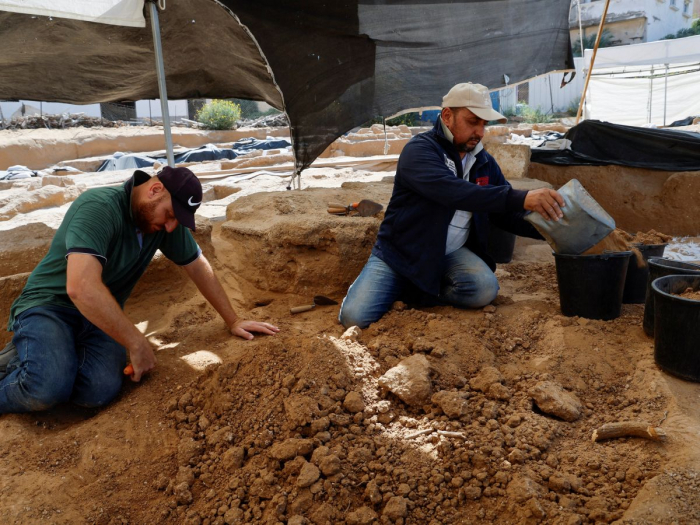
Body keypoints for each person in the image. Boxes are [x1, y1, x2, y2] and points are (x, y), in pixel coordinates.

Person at [0, 166, 279, 413]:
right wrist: (135, 340)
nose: (171, 227)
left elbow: (198, 266)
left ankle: (50, 355)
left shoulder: (161, 224)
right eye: (170, 215)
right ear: (155, 190)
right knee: (46, 388)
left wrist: (233, 320)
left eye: (177, 221)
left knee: (97, 391)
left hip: (98, 318)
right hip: (49, 306)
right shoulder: (98, 207)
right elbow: (81, 288)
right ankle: (26, 360)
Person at [339, 82, 565, 328]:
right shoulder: (420, 150)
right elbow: (454, 192)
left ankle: (420, 293)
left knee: (483, 290)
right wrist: (522, 197)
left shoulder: (484, 162)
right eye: (472, 122)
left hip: (451, 252)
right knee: (355, 317)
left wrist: (554, 230)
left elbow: (502, 213)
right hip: (403, 252)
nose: (479, 132)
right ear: (448, 116)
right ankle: (410, 285)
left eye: (483, 124)